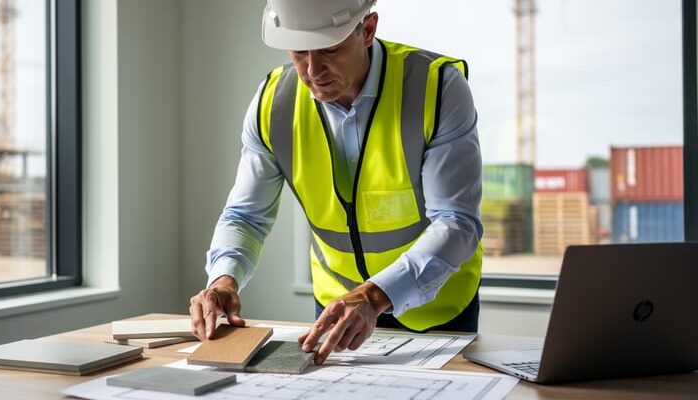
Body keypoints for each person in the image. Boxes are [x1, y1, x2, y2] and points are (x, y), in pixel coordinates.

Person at [189, 0, 483, 365]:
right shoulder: (273, 104)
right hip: (337, 309)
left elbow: (457, 222)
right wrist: (223, 279)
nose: (313, 70)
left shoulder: (437, 88)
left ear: (368, 29)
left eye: (330, 49)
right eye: (299, 51)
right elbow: (246, 216)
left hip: (437, 309)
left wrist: (375, 296)